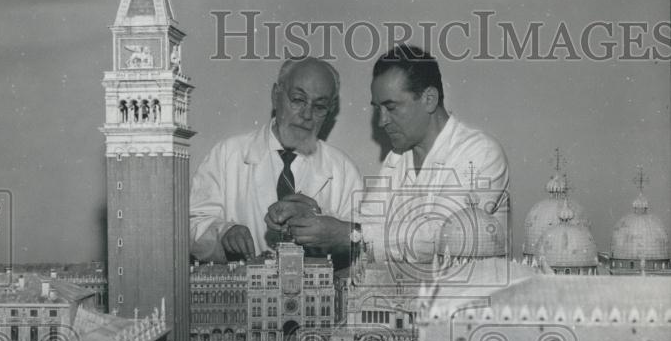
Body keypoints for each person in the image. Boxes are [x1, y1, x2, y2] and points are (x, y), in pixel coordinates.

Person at [190, 57, 363, 263]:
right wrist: (225, 232)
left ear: (330, 109)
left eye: (319, 107)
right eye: (298, 100)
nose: (306, 114)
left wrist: (321, 222)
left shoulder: (343, 170)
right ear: (276, 96)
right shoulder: (227, 154)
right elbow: (193, 224)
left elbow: (360, 242)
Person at [362, 45, 509, 261]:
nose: (382, 121)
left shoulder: (481, 153)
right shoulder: (397, 157)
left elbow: (442, 235)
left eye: (391, 107)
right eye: (378, 109)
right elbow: (368, 220)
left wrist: (353, 235)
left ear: (429, 99)